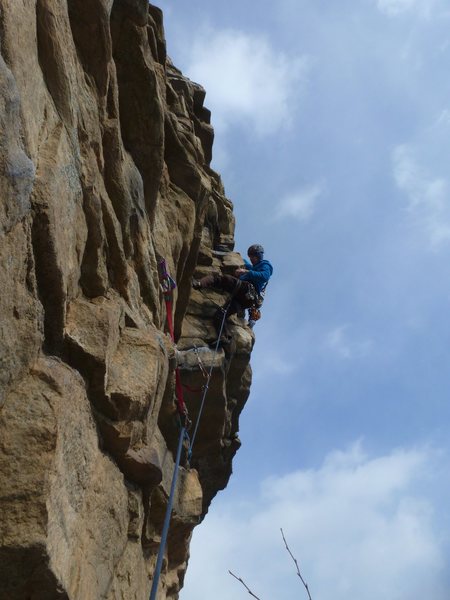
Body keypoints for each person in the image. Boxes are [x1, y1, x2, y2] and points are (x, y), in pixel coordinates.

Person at [192, 244, 273, 332]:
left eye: (253, 256)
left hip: (247, 290)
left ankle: (199, 283)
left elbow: (264, 276)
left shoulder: (265, 265)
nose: (251, 259)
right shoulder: (252, 267)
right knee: (220, 314)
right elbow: (242, 261)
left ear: (259, 255)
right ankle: (224, 339)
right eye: (250, 256)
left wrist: (245, 271)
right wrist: (230, 253)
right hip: (244, 300)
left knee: (221, 279)